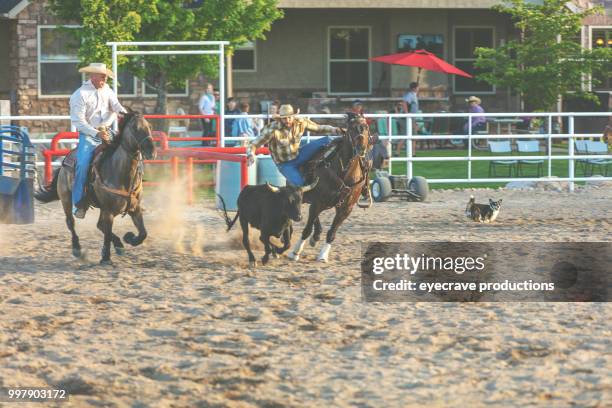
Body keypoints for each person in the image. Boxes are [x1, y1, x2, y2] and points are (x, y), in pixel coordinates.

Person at [69, 62, 126, 219]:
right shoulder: (79, 95)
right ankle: (78, 204)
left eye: (106, 76)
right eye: (102, 76)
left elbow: (116, 106)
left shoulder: (107, 90)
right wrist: (96, 133)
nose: (105, 78)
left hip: (107, 131)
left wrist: (127, 116)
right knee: (82, 165)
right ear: (92, 76)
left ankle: (131, 194)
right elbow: (79, 122)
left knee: (128, 152)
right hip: (89, 136)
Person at [247, 104, 342, 187]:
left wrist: (335, 129)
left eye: (289, 117)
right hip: (285, 164)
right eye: (284, 118)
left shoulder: (300, 122)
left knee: (328, 140)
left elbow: (318, 128)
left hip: (299, 154)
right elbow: (254, 144)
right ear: (280, 119)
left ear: (293, 116)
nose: (287, 120)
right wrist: (250, 155)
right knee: (301, 185)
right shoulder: (272, 129)